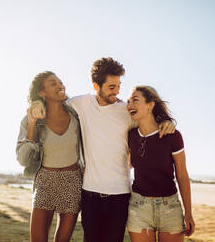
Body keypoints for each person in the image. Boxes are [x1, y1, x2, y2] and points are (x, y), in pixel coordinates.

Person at [66, 58, 175, 242]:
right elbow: (57, 104)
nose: (117, 91)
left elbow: (150, 119)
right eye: (111, 87)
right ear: (96, 86)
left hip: (120, 195)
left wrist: (167, 121)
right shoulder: (81, 103)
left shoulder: (125, 111)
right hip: (90, 194)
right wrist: (36, 103)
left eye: (118, 85)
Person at [16, 71, 84, 242]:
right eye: (53, 83)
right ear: (42, 93)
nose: (59, 85)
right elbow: (24, 159)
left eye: (60, 82)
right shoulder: (30, 118)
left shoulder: (77, 114)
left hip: (72, 180)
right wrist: (32, 123)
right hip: (45, 180)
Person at [126, 85, 195, 242]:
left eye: (135, 100)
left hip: (169, 207)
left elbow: (182, 175)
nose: (130, 105)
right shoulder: (130, 135)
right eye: (129, 101)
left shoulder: (172, 135)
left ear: (151, 105)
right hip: (138, 207)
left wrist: (188, 212)